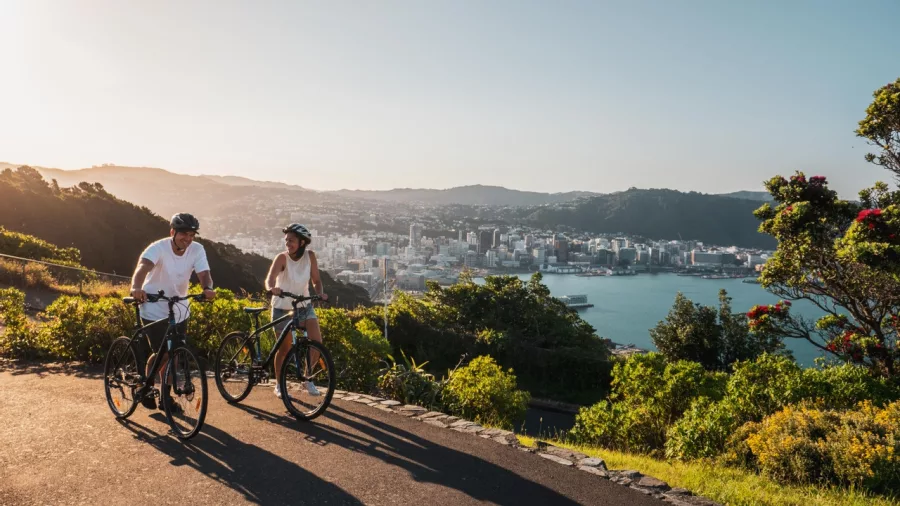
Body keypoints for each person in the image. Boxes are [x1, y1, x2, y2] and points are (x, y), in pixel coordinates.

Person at [129, 213, 216, 410]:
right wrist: (136, 287)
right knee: (162, 353)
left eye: (191, 234)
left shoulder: (197, 249)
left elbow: (204, 273)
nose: (187, 238)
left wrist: (207, 288)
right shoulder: (158, 248)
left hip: (179, 307)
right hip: (153, 305)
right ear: (172, 232)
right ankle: (147, 385)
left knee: (174, 353)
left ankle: (165, 398)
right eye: (183, 234)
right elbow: (143, 268)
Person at [265, 223, 328, 398]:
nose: (288, 244)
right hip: (282, 308)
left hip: (303, 305)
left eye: (291, 241)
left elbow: (316, 280)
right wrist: (272, 288)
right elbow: (269, 279)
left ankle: (307, 379)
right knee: (285, 349)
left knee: (316, 343)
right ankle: (279, 384)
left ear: (302, 242)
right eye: (286, 240)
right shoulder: (282, 258)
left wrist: (320, 293)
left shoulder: (310, 256)